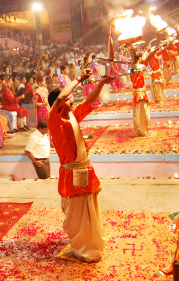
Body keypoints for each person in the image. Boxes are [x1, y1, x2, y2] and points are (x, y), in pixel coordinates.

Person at [47, 69, 113, 263]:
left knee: (89, 209)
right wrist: (78, 79)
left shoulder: (72, 116)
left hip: (85, 169)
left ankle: (91, 242)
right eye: (68, 100)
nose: (71, 101)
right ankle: (81, 246)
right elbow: (60, 98)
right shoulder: (54, 119)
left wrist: (101, 83)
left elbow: (89, 101)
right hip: (72, 174)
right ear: (57, 104)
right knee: (77, 214)